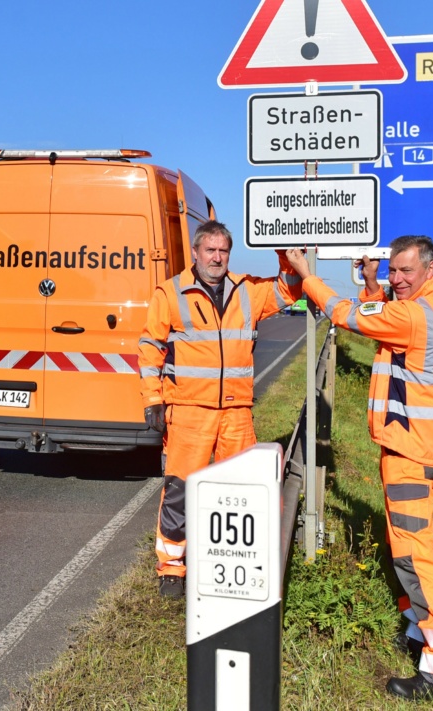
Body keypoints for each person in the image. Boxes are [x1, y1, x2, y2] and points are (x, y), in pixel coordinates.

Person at [290, 235, 433, 701]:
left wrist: (307, 277)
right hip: (413, 445)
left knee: (415, 553)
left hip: (412, 451)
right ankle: (416, 629)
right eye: (393, 270)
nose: (397, 279)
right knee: (402, 543)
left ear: (429, 269)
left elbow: (348, 316)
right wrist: (371, 283)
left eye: (406, 271)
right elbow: (382, 314)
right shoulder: (432, 306)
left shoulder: (417, 315)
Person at [138, 220, 304, 599]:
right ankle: (172, 568)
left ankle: (230, 565)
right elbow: (150, 348)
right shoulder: (170, 293)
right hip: (188, 412)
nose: (216, 257)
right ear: (196, 253)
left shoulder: (247, 291)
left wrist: (283, 252)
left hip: (236, 413)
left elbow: (290, 290)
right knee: (179, 491)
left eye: (223, 251)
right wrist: (152, 399)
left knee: (240, 491)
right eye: (210, 250)